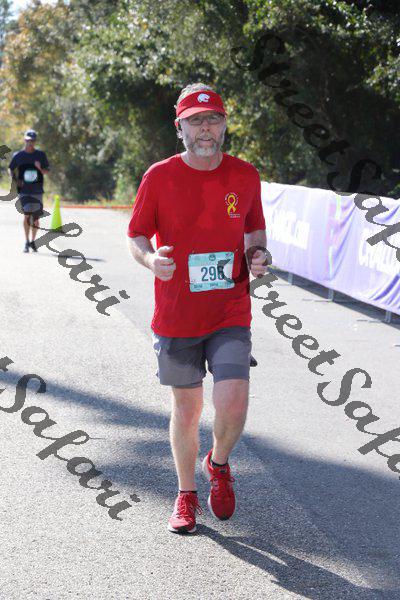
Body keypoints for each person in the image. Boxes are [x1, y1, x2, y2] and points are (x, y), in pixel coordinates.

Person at [126, 83, 268, 534]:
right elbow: (136, 234)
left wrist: (257, 254)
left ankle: (218, 463)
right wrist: (151, 260)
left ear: (224, 125)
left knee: (234, 403)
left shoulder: (245, 175)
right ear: (180, 127)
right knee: (186, 411)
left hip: (230, 309)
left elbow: (254, 229)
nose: (205, 128)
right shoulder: (159, 176)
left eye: (213, 119)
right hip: (177, 315)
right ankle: (186, 494)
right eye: (195, 121)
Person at [8, 129, 51, 253]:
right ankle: (26, 241)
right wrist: (14, 179)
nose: (29, 143)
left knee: (36, 218)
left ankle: (33, 241)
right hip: (24, 190)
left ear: (35, 141)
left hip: (37, 190)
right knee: (27, 215)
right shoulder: (18, 155)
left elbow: (47, 170)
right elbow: (10, 168)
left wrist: (40, 169)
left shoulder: (40, 155)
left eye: (32, 141)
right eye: (27, 140)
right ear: (24, 140)